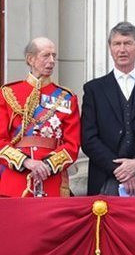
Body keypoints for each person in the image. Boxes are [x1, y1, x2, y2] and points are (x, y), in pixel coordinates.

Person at [81, 22, 135, 196]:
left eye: (128, 43)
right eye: (117, 44)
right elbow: (88, 138)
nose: (122, 49)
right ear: (110, 48)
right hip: (104, 179)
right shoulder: (94, 89)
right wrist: (121, 170)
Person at [0, 37, 81, 197]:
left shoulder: (66, 97)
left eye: (54, 56)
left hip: (52, 181)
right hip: (16, 181)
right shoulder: (8, 93)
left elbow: (72, 145)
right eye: (46, 55)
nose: (51, 61)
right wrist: (27, 162)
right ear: (30, 59)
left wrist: (46, 166)